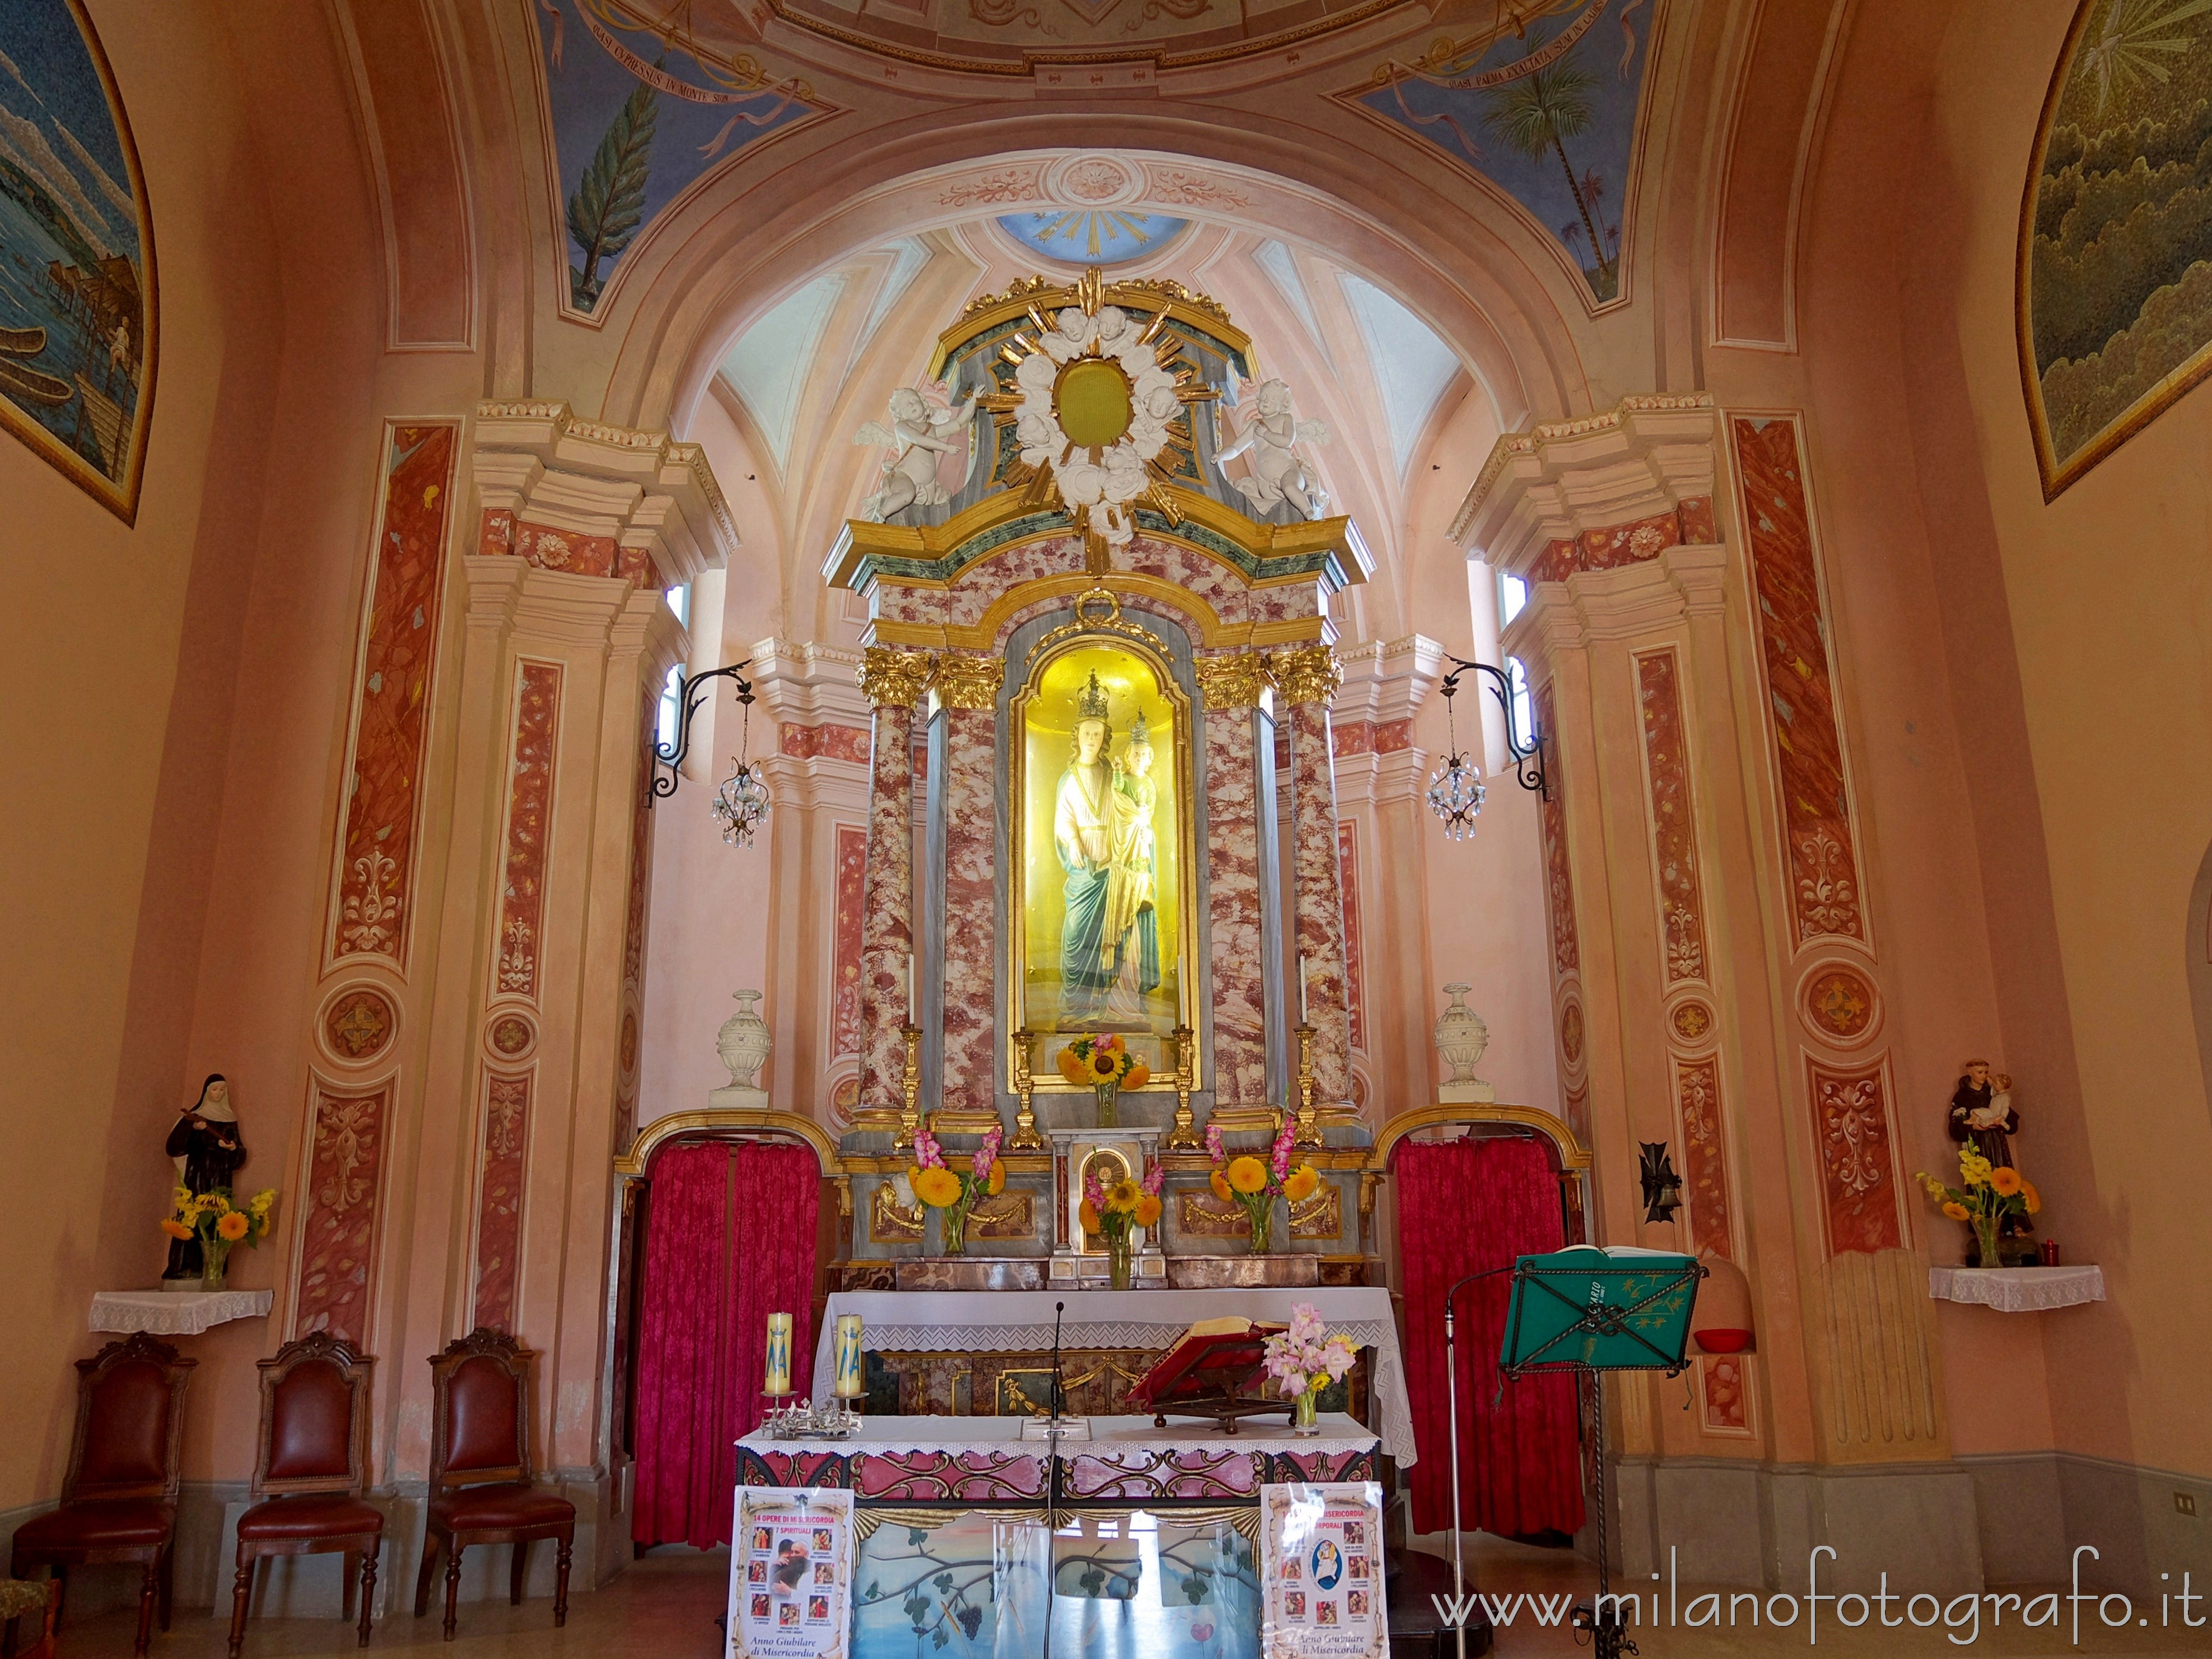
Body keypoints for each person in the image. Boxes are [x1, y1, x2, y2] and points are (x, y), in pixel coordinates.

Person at [1053, 673, 1158, 1024]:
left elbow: (1131, 815)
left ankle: (1106, 1008)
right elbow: (1064, 819)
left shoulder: (1116, 776)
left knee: (1114, 939)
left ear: (1105, 738)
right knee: (1076, 936)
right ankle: (1075, 1012)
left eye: (1098, 734)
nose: (1092, 740)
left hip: (1113, 864)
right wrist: (1073, 842)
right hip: (1083, 870)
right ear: (1077, 736)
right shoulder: (1068, 780)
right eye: (1087, 733)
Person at [165, 1075, 246, 1280]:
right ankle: (181, 1267)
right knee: (192, 1215)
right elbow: (174, 1147)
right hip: (199, 1172)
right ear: (206, 1092)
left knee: (216, 1220)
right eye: (215, 1090)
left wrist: (232, 1148)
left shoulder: (230, 1117)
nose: (219, 1094)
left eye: (222, 1090)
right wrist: (192, 1130)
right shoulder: (195, 1117)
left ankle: (210, 1269)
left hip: (221, 1175)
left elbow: (240, 1151)